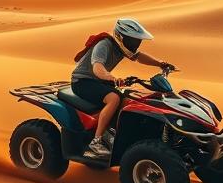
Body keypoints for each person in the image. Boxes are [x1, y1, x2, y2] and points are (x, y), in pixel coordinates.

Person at [70, 18, 175, 160]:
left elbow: (138, 57)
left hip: (99, 81)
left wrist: (161, 63)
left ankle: (112, 133)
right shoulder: (104, 45)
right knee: (113, 99)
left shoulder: (121, 47)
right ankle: (96, 143)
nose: (135, 44)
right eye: (133, 41)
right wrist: (112, 78)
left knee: (128, 99)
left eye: (137, 41)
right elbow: (97, 67)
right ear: (121, 37)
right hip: (82, 81)